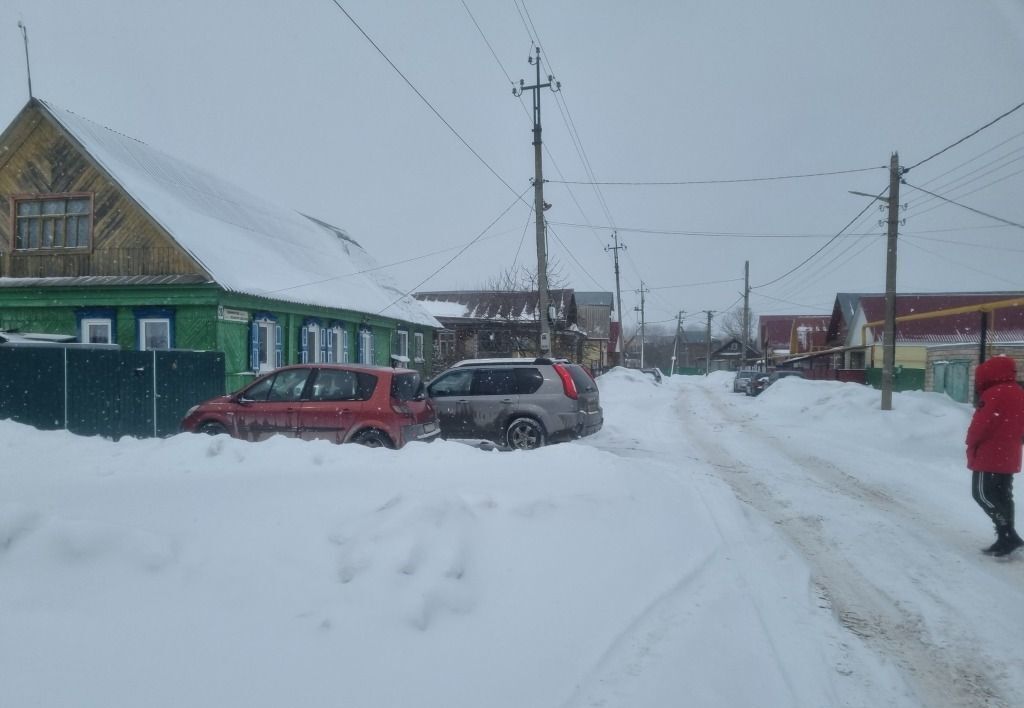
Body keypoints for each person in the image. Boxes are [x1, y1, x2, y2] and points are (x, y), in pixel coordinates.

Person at [966, 355, 1024, 557]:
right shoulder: (1018, 392)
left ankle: (1008, 534)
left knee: (982, 494)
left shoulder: (993, 394)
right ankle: (1004, 538)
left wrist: (970, 442)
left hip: (989, 455)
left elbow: (980, 426)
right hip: (1009, 455)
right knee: (1004, 496)